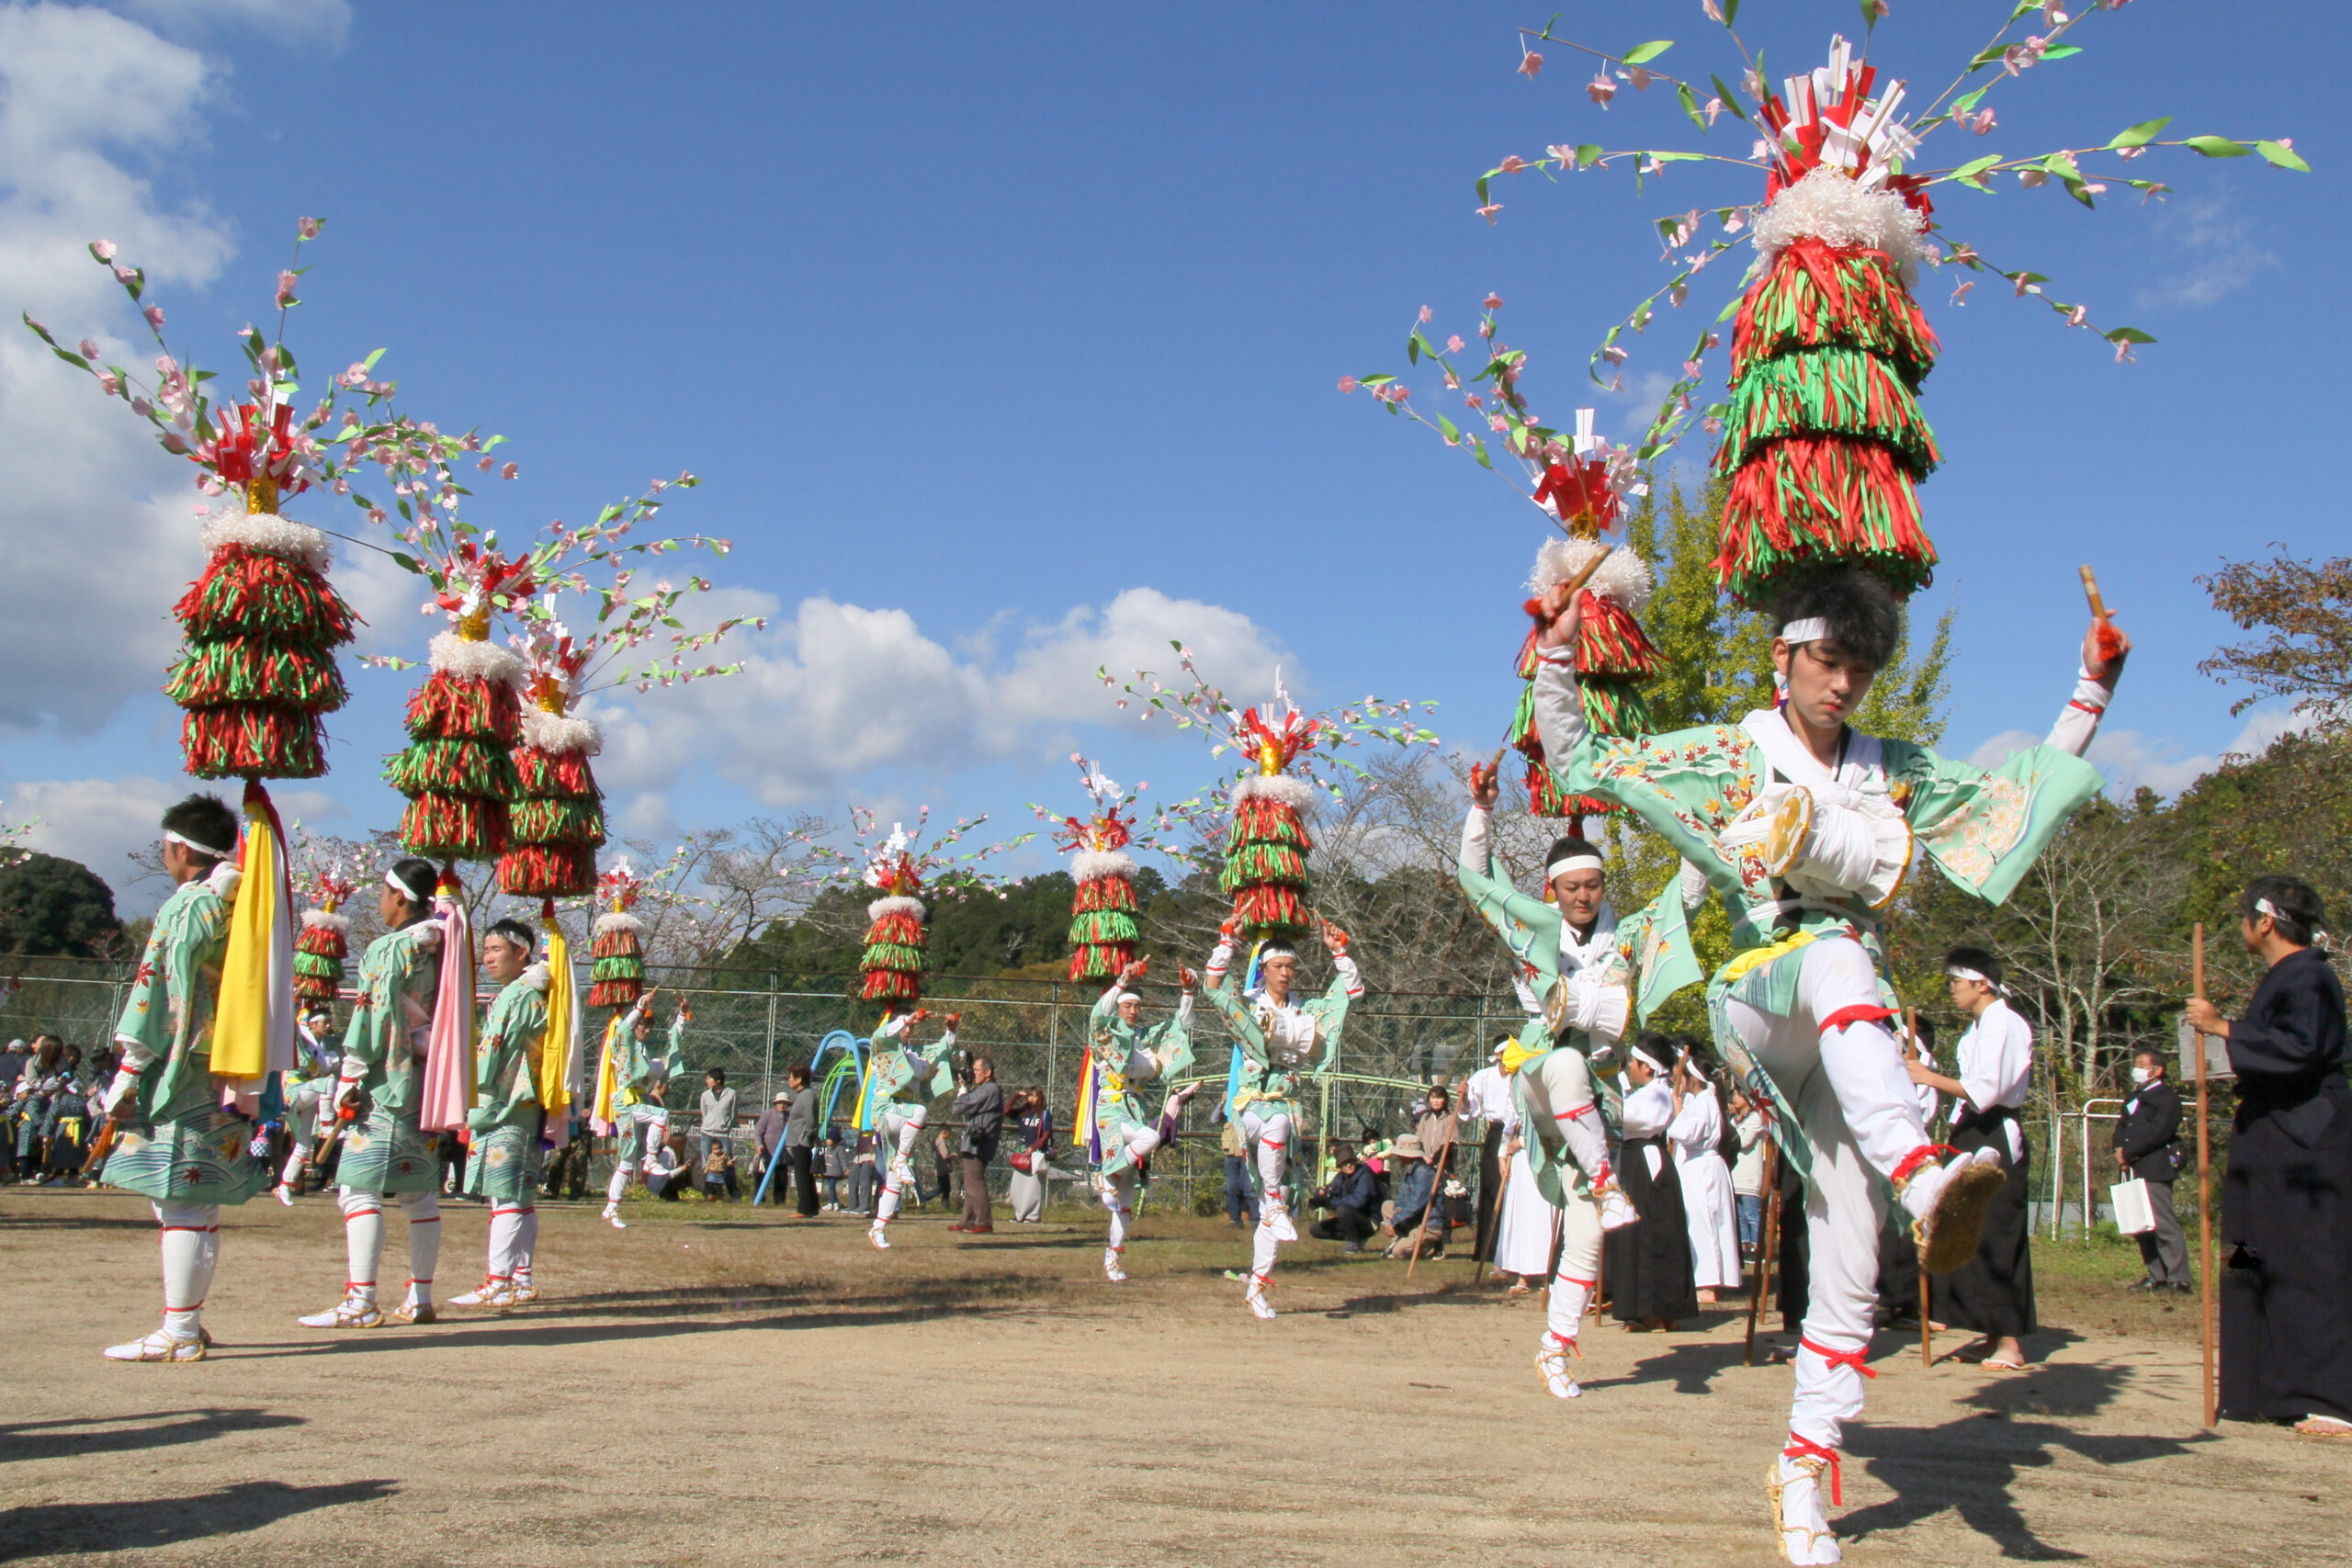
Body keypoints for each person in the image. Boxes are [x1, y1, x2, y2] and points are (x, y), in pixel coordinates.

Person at [1530, 565, 2122, 1562]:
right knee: (1839, 952)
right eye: (1827, 661)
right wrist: (1555, 650)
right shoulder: (1733, 751)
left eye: (1859, 668)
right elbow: (1586, 758)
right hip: (1760, 995)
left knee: (1849, 1242)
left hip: (1851, 1032)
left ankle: (1803, 1465)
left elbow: (2008, 802)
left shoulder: (1891, 768)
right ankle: (1922, 1175)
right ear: (1784, 656)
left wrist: (2091, 689)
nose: (1842, 684)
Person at [1456, 760, 1683, 1397]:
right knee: (1562, 1062)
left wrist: (1697, 820)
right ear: (1553, 889)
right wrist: (1481, 811)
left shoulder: (1627, 936)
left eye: (1594, 885)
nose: (1584, 896)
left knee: (1586, 1235)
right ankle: (1608, 1181)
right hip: (1539, 1075)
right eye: (1572, 887)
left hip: (1595, 1097)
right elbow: (1477, 878)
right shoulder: (1533, 928)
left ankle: (1555, 1348)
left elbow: (1685, 895)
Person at [92, 794, 267, 1361]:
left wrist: (129, 1068)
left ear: (180, 849)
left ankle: (181, 1331)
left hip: (181, 1063)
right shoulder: (245, 903)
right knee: (197, 1198)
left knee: (180, 1200)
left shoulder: (187, 906)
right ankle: (187, 1320)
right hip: (225, 1059)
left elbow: (158, 991)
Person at [2184, 875, 2352, 1438]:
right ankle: (2258, 1384)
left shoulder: (2310, 976)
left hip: (2304, 1144)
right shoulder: (2283, 977)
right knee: (2248, 1255)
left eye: (2243, 917)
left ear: (2265, 921)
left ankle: (2328, 1394)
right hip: (2264, 1139)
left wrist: (2223, 1027)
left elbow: (2303, 1049)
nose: (2241, 927)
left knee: (2307, 1261)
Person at [300, 857, 447, 1330]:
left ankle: (361, 1299)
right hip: (429, 1082)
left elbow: (372, 1016)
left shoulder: (389, 949)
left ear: (399, 896)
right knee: (419, 1194)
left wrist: (352, 1077)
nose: (381, 903)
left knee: (357, 1190)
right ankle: (420, 1296)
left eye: (383, 893)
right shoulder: (447, 947)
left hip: (386, 1081)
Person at [1201, 917, 1361, 1319]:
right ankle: (1271, 1201)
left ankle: (1257, 1286)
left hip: (1286, 1107)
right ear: (1265, 969)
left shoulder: (1306, 1010)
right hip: (1251, 1107)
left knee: (1281, 1198)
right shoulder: (1250, 1005)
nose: (1286, 973)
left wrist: (1339, 951)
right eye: (1278, 966)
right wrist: (1227, 941)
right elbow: (1213, 987)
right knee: (1276, 1126)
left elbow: (1351, 992)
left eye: (1291, 966)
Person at [1914, 948, 2037, 1371]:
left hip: (1995, 1130)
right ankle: (1989, 1330)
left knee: (1999, 1230)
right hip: (1971, 1127)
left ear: (1981, 983)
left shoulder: (2004, 1022)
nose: (1951, 989)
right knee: (1972, 1230)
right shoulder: (1978, 1026)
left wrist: (1929, 1077)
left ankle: (2010, 1340)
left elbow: (1986, 1089)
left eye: (1956, 981)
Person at [447, 918, 551, 1311]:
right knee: (520, 1195)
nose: (488, 958)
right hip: (524, 1104)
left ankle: (500, 1282)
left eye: (496, 950)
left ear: (521, 953)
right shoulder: (533, 994)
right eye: (486, 951)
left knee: (505, 1195)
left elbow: (490, 1054)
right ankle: (521, 1278)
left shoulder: (517, 995)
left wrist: (465, 1089)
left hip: (507, 1103)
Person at [1084, 961, 1199, 1279]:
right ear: (1118, 1006)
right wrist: (1122, 981)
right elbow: (1096, 1014)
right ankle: (1106, 1174)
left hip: (1136, 1107)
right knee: (1150, 1138)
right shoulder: (1104, 1034)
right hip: (1111, 1108)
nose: (1133, 1011)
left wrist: (1188, 992)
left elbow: (1179, 1025)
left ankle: (1113, 1259)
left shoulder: (1145, 1038)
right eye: (1128, 1005)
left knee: (1126, 1198)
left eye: (1137, 1006)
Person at [1608, 1035, 1697, 1331]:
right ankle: (1652, 1309)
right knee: (1642, 1234)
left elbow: (1626, 1116)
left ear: (1646, 1066)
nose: (1630, 1067)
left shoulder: (1657, 1095)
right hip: (1639, 1162)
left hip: (1646, 1166)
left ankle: (1655, 1311)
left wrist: (1599, 1096)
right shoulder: (1652, 1092)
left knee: (1648, 1235)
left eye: (1634, 1062)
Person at [865, 1008, 958, 1248]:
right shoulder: (883, 1049)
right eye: (904, 1026)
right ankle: (900, 1161)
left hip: (902, 1117)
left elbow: (943, 1050)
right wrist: (907, 1019)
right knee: (919, 1112)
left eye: (911, 1027)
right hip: (885, 1110)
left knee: (895, 1180)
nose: (908, 1030)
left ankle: (878, 1228)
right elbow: (880, 1035)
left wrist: (951, 1029)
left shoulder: (916, 1054)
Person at [599, 988, 686, 1228]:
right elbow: (623, 1030)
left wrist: (681, 1015)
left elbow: (671, 1046)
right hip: (625, 1104)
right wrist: (639, 1007)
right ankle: (650, 1159)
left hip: (637, 1103)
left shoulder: (647, 1052)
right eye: (643, 1025)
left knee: (626, 1162)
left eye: (648, 1027)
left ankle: (611, 1207)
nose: (646, 1030)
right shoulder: (624, 1046)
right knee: (661, 1114)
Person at [2111, 1047, 2189, 1293]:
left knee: (2163, 1224)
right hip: (2132, 1168)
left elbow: (2160, 1133)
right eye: (2136, 1064)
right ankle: (2157, 1276)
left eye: (2143, 1064)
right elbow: (2122, 1126)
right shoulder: (2134, 1097)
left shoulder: (2167, 1098)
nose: (2137, 1069)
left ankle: (2179, 1278)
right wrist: (2119, 1150)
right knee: (2141, 1225)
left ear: (2158, 1070)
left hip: (2155, 1166)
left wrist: (2130, 1152)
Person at [1670, 1042, 1741, 1304]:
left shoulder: (1704, 1101)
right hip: (1704, 1165)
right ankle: (1713, 1281)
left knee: (1705, 1223)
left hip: (1702, 1167)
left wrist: (1677, 1110)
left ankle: (1708, 1284)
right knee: (1709, 1221)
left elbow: (1685, 1132)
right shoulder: (1706, 1099)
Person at [1460, 1039, 1516, 1265]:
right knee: (1493, 1187)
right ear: (1498, 1054)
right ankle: (1489, 1248)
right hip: (1496, 1132)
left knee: (1513, 1189)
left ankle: (1512, 1249)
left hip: (1517, 1133)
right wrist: (1464, 1096)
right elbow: (1470, 1109)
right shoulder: (1485, 1076)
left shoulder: (1519, 1075)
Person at [950, 1052, 1004, 1235]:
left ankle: (984, 1222)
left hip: (979, 1142)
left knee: (974, 1183)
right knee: (970, 1182)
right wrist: (965, 1088)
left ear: (987, 1072)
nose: (973, 1074)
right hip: (974, 1141)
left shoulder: (989, 1089)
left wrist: (963, 1090)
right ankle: (968, 1220)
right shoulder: (985, 1089)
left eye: (976, 1070)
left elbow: (958, 1107)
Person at [1308, 1145, 1383, 1252]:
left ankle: (1355, 1242)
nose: (1348, 1165)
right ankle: (1358, 1238)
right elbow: (1330, 1189)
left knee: (1343, 1209)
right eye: (1344, 1163)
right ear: (1339, 1166)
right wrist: (1320, 1194)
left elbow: (1358, 1201)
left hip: (1369, 1221)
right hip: (1351, 1219)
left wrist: (1331, 1203)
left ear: (1355, 1161)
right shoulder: (1341, 1177)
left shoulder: (1365, 1175)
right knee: (1316, 1230)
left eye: (1351, 1161)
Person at [1731, 1087, 1770, 1258]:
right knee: (1740, 1215)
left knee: (1751, 1213)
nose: (1735, 1098)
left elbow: (1744, 1141)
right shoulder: (1734, 1120)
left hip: (1749, 1175)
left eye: (1739, 1095)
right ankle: (1744, 1246)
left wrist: (1729, 1140)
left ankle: (1757, 1247)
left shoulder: (1755, 1119)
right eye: (1734, 1095)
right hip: (1736, 1174)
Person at [1006, 1087, 1052, 1223]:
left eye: (1035, 1096)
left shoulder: (1044, 1114)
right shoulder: (1023, 1112)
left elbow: (1046, 1134)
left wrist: (1034, 1147)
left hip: (1036, 1152)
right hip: (1022, 1149)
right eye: (1030, 1096)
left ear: (1040, 1098)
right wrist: (1016, 1096)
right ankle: (1019, 1214)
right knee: (1017, 1186)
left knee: (1033, 1187)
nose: (1032, 1098)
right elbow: (1006, 1111)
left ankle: (1032, 1216)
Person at [695, 1067, 739, 1199]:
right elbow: (704, 1112)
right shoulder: (705, 1095)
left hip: (722, 1133)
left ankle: (733, 1194)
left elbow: (734, 1113)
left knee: (727, 1162)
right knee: (706, 1163)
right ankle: (709, 1193)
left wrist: (726, 1126)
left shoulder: (731, 1094)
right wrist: (707, 1123)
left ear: (718, 1081)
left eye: (710, 1079)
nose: (707, 1081)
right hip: (707, 1133)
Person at [784, 1066, 820, 1217]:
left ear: (799, 1079)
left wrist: (811, 1133)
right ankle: (812, 1206)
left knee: (801, 1175)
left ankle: (804, 1208)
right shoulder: (804, 1095)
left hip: (802, 1140)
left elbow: (810, 1119)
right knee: (805, 1174)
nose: (789, 1079)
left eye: (791, 1077)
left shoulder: (806, 1096)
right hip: (799, 1139)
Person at [1219, 1114, 1259, 1228]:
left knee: (1250, 1189)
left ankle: (1256, 1221)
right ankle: (1235, 1221)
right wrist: (1221, 1105)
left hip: (1247, 1154)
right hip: (1231, 1153)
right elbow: (1214, 1119)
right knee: (1231, 1189)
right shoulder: (1227, 1109)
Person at [754, 1090, 789, 1204]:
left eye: (784, 1103)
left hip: (782, 1155)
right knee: (761, 1177)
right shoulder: (767, 1115)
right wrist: (759, 1145)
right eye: (779, 1103)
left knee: (781, 1178)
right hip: (767, 1152)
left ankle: (779, 1201)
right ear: (775, 1104)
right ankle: (759, 1198)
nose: (781, 1105)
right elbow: (758, 1132)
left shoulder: (789, 1117)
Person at [821, 1127, 849, 1212]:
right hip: (828, 1171)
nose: (827, 1141)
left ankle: (832, 1203)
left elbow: (843, 1159)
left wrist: (845, 1168)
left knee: (831, 1186)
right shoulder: (829, 1148)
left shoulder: (840, 1148)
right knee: (830, 1186)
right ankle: (834, 1202)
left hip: (835, 1171)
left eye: (829, 1139)